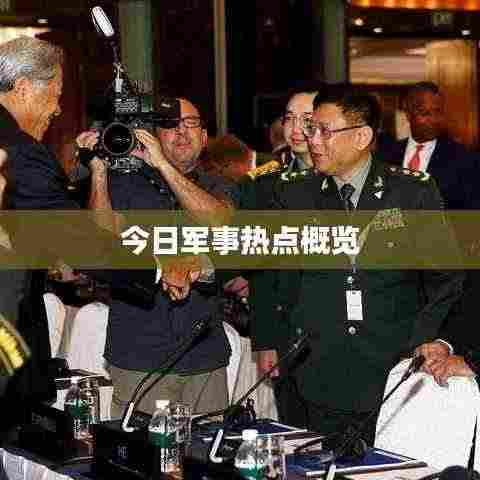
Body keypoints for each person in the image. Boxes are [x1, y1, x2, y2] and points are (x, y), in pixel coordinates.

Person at [250, 84, 464, 443]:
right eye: (311, 128)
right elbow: (272, 273)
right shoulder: (295, 193)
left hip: (392, 370)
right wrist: (269, 339)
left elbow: (446, 279)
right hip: (315, 370)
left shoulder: (410, 193)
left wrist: (429, 341)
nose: (312, 139)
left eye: (324, 130)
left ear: (362, 137)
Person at [0, 36, 157, 433]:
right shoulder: (18, 150)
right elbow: (77, 240)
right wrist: (157, 268)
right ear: (23, 88)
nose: (57, 109)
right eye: (55, 96)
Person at [83, 97, 239, 417]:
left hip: (203, 355)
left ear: (205, 137)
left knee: (208, 446)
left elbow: (220, 222)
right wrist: (98, 169)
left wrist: (164, 166)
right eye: (169, 125)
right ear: (152, 136)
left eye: (190, 124)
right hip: (138, 355)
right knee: (138, 448)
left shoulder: (221, 186)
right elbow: (100, 240)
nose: (181, 131)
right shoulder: (126, 183)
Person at [378, 82, 478, 212]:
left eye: (437, 112)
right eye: (424, 113)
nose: (433, 120)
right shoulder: (385, 155)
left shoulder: (464, 159)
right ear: (408, 114)